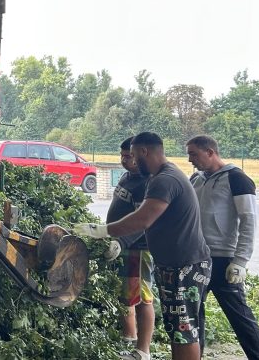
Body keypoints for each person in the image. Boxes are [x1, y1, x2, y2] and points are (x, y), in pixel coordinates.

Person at [74, 132, 210, 360]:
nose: (134, 161)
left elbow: (143, 219)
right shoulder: (164, 175)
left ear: (145, 151)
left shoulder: (165, 180)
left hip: (185, 266)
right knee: (177, 328)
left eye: (135, 155)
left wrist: (103, 231)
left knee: (184, 329)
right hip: (173, 264)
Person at [186, 135, 259, 360]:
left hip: (224, 261)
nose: (190, 159)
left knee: (239, 315)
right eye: (189, 154)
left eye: (194, 154)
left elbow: (249, 220)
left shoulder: (237, 179)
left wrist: (240, 261)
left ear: (210, 152)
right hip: (196, 258)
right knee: (194, 315)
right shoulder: (196, 179)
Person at [105, 137, 155, 360]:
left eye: (129, 156)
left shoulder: (147, 183)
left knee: (142, 296)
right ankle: (128, 337)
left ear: (140, 156)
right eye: (122, 156)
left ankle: (143, 350)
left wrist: (122, 241)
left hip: (139, 248)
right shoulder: (127, 177)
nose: (124, 160)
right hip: (121, 244)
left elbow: (145, 222)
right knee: (125, 292)